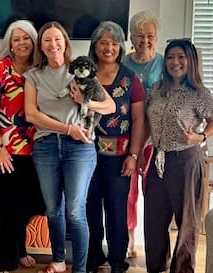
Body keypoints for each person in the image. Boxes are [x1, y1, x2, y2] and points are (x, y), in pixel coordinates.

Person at [24, 21, 115, 273]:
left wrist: (84, 103)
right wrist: (67, 128)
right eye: (47, 40)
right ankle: (59, 260)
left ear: (65, 43)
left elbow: (111, 107)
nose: (53, 45)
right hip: (46, 147)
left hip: (80, 147)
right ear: (40, 46)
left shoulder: (80, 72)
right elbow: (31, 114)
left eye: (57, 39)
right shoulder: (33, 76)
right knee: (53, 210)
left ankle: (81, 269)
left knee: (75, 211)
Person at [0, 19, 43, 273]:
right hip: (7, 150)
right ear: (10, 44)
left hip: (38, 150)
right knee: (7, 208)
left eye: (26, 38)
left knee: (30, 205)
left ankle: (21, 249)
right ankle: (5, 262)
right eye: (16, 39)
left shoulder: (40, 70)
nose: (22, 43)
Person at [143, 38, 213, 273]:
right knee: (153, 221)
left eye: (181, 57)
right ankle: (156, 267)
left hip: (186, 161)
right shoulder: (157, 89)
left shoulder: (199, 93)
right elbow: (146, 121)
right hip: (157, 160)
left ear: (190, 61)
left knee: (186, 225)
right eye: (171, 57)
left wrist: (201, 137)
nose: (175, 62)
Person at [85, 21, 145, 273]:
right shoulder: (83, 75)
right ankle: (92, 256)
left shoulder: (130, 78)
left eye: (113, 43)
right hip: (85, 155)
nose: (108, 48)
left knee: (116, 210)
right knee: (88, 209)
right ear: (95, 45)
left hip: (120, 157)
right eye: (103, 42)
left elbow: (140, 119)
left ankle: (118, 261)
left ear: (120, 47)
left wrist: (134, 155)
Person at [123, 11, 164, 257]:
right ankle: (129, 241)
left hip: (157, 137)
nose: (145, 40)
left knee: (154, 192)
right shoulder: (123, 63)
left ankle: (155, 245)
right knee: (128, 192)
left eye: (150, 36)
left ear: (156, 37)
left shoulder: (164, 63)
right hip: (127, 135)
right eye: (139, 35)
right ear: (131, 37)